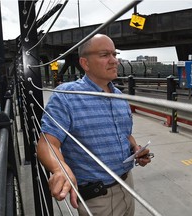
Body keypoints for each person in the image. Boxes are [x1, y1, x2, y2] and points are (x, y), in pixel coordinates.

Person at [37, 34, 152, 216]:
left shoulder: (119, 97)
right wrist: (59, 169)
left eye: (115, 54)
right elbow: (47, 142)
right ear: (85, 63)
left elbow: (125, 134)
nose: (114, 60)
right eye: (105, 55)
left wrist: (136, 150)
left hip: (127, 186)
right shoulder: (66, 96)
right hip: (98, 198)